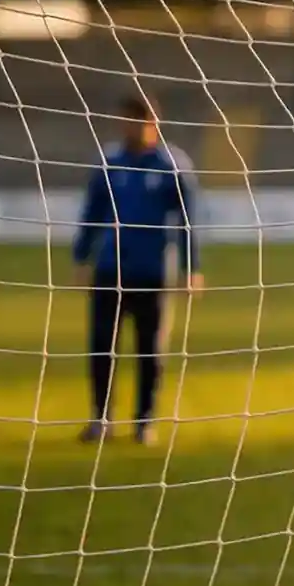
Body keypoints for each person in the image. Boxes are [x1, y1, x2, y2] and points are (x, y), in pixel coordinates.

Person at [72, 94, 203, 444]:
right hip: (109, 269)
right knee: (102, 346)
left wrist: (192, 269)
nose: (129, 127)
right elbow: (91, 214)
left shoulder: (171, 166)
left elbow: (188, 223)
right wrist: (81, 258)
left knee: (150, 350)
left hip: (153, 271)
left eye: (136, 120)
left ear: (153, 122)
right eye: (125, 120)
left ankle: (144, 422)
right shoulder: (110, 162)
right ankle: (100, 419)